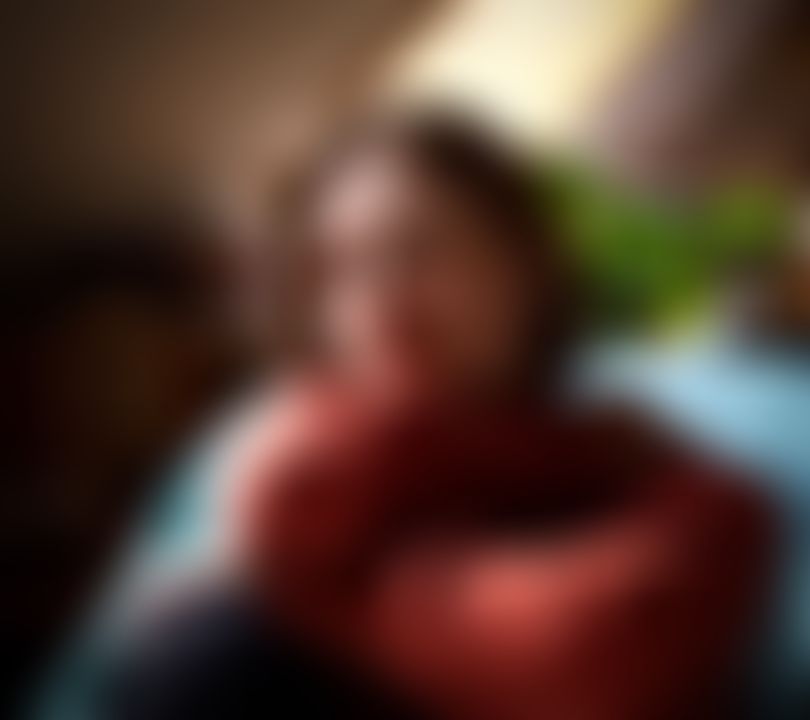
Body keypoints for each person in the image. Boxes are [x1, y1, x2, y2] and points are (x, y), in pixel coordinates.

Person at [100, 115, 771, 719]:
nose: (379, 296)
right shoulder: (301, 478)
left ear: (525, 263)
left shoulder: (643, 485)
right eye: (339, 271)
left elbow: (611, 656)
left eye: (417, 246)